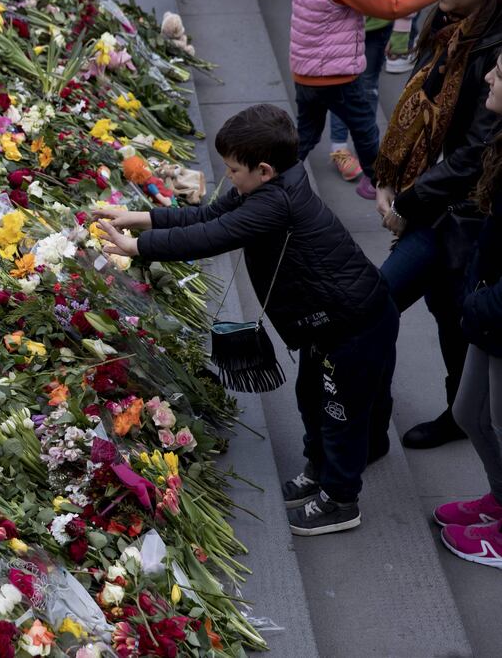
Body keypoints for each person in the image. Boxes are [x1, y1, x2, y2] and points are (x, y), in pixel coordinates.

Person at [93, 104, 399, 537]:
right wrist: (142, 219)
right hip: (327, 322)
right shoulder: (265, 187)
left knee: (340, 410)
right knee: (311, 395)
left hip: (353, 324)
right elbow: (208, 215)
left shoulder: (276, 204)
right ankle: (319, 466)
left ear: (264, 170)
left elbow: (209, 237)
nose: (229, 177)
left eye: (234, 170)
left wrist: (136, 248)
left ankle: (340, 498)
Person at [374, 0, 502, 450]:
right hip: (430, 205)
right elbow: (417, 102)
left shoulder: (493, 43)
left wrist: (408, 204)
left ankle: (460, 416)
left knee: (442, 313)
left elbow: (475, 155)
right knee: (387, 306)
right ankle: (376, 425)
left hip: (463, 215)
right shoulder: (446, 24)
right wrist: (388, 178)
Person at [437, 48, 502, 568]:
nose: (488, 79)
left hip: (498, 310)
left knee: (498, 421)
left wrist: (483, 302)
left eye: (499, 74)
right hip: (490, 307)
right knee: (470, 413)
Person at [289, 0, 436, 200]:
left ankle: (275, 179)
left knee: (306, 133)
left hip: (305, 71)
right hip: (336, 76)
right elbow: (392, 8)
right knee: (364, 127)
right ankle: (379, 182)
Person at [329, 16, 396, 181]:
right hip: (340, 25)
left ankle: (367, 149)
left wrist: (400, 31)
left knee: (368, 86)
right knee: (341, 85)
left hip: (377, 23)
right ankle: (340, 149)